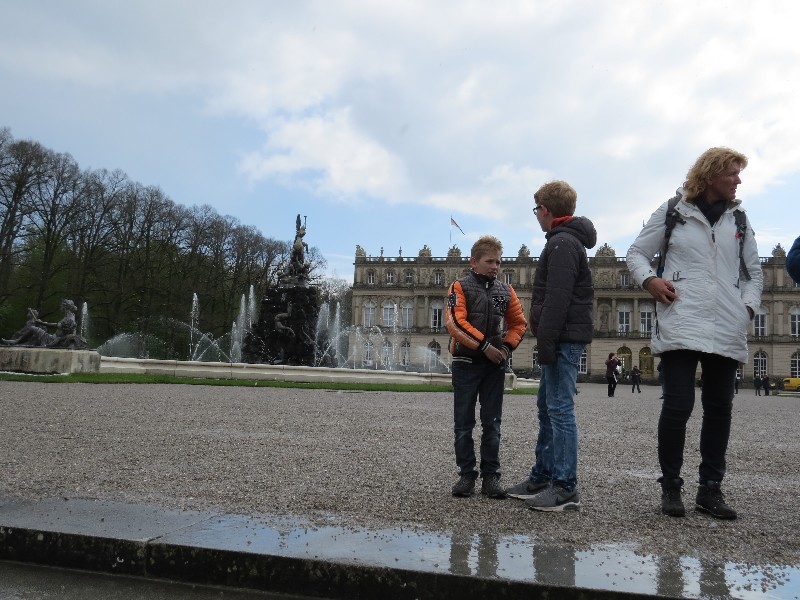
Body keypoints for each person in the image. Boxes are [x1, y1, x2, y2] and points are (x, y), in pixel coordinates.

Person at [626, 147, 763, 520]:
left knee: (720, 408)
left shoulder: (740, 219)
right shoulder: (674, 211)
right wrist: (650, 279)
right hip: (683, 317)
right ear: (712, 174)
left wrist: (746, 308)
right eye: (733, 173)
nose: (738, 180)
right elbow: (636, 253)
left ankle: (710, 489)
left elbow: (754, 272)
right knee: (678, 405)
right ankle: (671, 486)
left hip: (726, 322)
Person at [505, 180, 596, 511]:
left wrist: (545, 342)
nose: (536, 216)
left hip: (562, 338)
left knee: (559, 410)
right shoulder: (565, 242)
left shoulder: (561, 245)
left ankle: (565, 485)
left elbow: (557, 300)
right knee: (548, 408)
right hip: (562, 336)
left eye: (536, 210)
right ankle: (543, 476)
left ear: (545, 210)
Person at [446, 235, 527, 499]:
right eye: (489, 261)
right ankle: (467, 474)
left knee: (492, 423)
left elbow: (519, 324)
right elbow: (455, 323)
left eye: (498, 262)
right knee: (463, 423)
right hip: (466, 363)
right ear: (474, 262)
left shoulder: (506, 291)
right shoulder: (458, 287)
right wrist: (486, 347)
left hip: (493, 365)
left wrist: (504, 349)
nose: (495, 266)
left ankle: (491, 477)